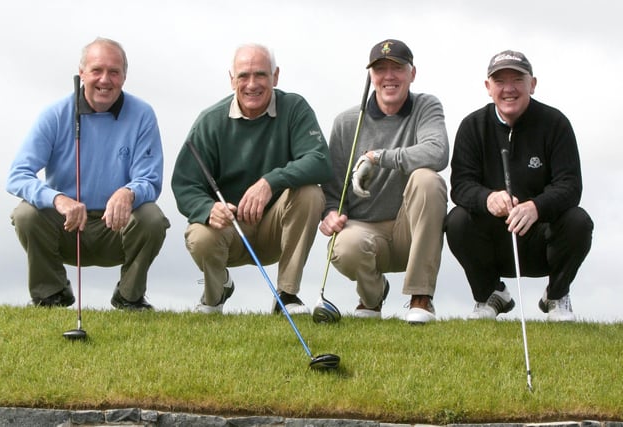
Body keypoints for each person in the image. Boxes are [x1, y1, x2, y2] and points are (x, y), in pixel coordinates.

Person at [7, 37, 170, 310]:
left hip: (116, 227)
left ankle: (130, 297)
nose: (105, 79)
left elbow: (150, 180)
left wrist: (128, 192)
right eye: (96, 70)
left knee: (152, 218)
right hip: (68, 226)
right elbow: (18, 175)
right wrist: (58, 199)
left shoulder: (142, 114)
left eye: (114, 72)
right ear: (82, 73)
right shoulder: (55, 114)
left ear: (124, 76)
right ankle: (51, 293)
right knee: (25, 214)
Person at [171, 43, 332, 314]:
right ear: (231, 79)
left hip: (276, 226)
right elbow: (185, 184)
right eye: (243, 76)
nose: (252, 84)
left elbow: (320, 161)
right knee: (199, 235)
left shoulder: (295, 108)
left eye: (261, 75)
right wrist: (208, 209)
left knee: (311, 193)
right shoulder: (209, 121)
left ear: (275, 76)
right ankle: (216, 292)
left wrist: (270, 182)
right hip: (230, 230)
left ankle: (287, 295)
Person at [445, 49, 593, 322]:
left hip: (541, 237)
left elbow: (570, 185)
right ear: (488, 88)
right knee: (456, 221)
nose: (509, 89)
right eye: (500, 81)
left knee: (579, 221)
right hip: (495, 240)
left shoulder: (555, 123)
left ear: (532, 84)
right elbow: (461, 185)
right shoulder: (472, 126)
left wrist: (536, 206)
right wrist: (487, 199)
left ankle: (557, 295)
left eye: (518, 80)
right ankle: (490, 294)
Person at [319, 39, 449, 323]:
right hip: (364, 230)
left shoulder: (426, 106)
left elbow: (437, 153)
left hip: (409, 231)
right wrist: (331, 214)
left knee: (428, 179)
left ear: (412, 74)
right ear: (371, 76)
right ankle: (372, 297)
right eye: (380, 69)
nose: (389, 76)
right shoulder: (346, 122)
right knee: (343, 247)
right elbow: (332, 190)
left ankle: (420, 297)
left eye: (397, 68)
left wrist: (378, 157)